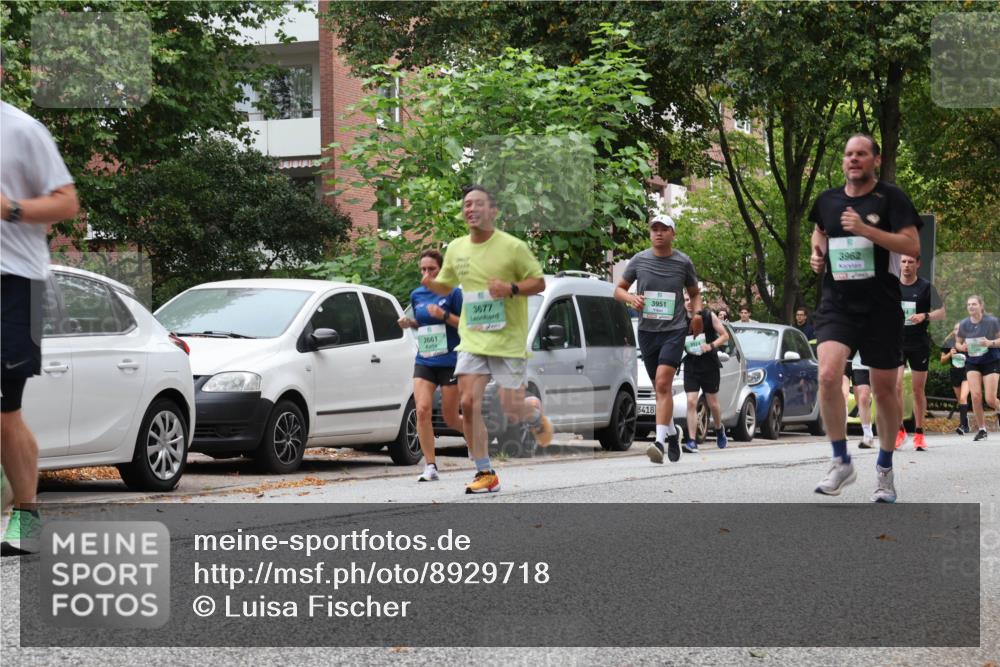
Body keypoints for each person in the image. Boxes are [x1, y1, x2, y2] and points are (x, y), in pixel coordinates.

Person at [808, 133, 921, 503]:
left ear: (875, 159)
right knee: (827, 374)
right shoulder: (827, 200)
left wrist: (866, 230)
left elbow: (911, 245)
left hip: (882, 304)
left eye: (861, 154)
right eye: (848, 154)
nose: (853, 159)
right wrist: (817, 253)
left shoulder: (891, 198)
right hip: (838, 301)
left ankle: (884, 470)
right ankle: (841, 460)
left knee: (885, 389)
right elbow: (820, 231)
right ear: (843, 161)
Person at [422, 185, 550, 494]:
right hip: (473, 338)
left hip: (507, 340)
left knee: (511, 409)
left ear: (493, 211)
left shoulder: (513, 247)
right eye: (467, 204)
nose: (471, 209)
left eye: (478, 204)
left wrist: (511, 289)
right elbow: (447, 285)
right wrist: (432, 284)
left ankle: (531, 412)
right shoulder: (456, 248)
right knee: (468, 401)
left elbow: (539, 282)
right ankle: (485, 471)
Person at [1, 100, 80, 555]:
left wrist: (10, 209)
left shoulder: (22, 129)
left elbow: (67, 201)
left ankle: (27, 526)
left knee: (3, 410)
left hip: (14, 283)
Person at [615, 213, 701, 464]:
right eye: (655, 229)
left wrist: (696, 315)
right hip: (647, 332)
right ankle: (673, 434)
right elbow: (618, 290)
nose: (659, 233)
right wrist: (631, 298)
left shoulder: (683, 262)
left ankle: (659, 443)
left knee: (663, 385)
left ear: (673, 233)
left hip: (674, 330)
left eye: (664, 229)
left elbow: (695, 294)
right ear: (650, 233)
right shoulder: (639, 260)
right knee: (659, 389)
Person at [397, 250, 464, 482]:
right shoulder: (417, 295)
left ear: (441, 270)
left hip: (450, 362)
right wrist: (409, 323)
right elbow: (423, 324)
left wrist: (444, 315)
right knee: (423, 410)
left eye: (431, 269)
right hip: (425, 359)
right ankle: (430, 466)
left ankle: (477, 439)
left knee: (451, 418)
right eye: (423, 270)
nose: (426, 274)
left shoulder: (453, 293)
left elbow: (466, 324)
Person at [894, 254, 945, 451]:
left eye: (910, 262)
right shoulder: (892, 286)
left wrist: (925, 315)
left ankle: (919, 433)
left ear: (918, 264)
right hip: (897, 343)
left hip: (918, 343)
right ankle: (899, 431)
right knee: (896, 386)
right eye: (903, 262)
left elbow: (942, 312)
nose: (906, 266)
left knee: (917, 390)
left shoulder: (925, 287)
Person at [680, 292, 730, 453]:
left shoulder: (708, 316)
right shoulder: (680, 319)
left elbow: (725, 336)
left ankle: (718, 428)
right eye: (685, 300)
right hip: (691, 364)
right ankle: (692, 440)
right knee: (691, 401)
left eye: (691, 299)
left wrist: (711, 346)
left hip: (709, 364)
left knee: (712, 403)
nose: (688, 303)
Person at [955, 295, 1000, 442]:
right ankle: (982, 429)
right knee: (975, 396)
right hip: (972, 362)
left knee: (990, 399)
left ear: (981, 306)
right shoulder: (964, 324)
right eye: (968, 305)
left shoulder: (992, 322)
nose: (971, 307)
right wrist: (962, 347)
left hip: (990, 361)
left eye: (974, 304)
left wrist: (990, 343)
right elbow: (958, 343)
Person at [940, 323, 971, 435]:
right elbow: (942, 361)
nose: (958, 330)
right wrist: (949, 354)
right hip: (955, 373)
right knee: (960, 400)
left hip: (967, 372)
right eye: (956, 328)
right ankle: (966, 423)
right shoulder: (948, 343)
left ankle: (963, 426)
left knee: (963, 398)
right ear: (953, 331)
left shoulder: (969, 342)